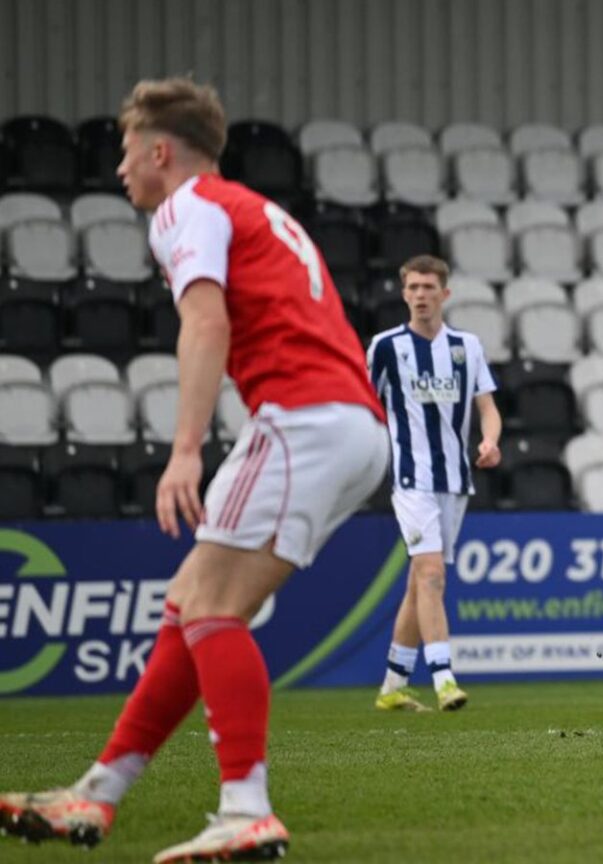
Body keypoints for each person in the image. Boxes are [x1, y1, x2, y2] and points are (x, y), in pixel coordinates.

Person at [0, 77, 389, 861]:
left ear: (160, 152)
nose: (119, 169)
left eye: (125, 151)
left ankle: (246, 808)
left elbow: (205, 322)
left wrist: (185, 450)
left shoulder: (187, 207)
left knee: (212, 608)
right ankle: (99, 792)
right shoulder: (255, 209)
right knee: (190, 603)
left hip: (302, 417)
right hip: (351, 426)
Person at [369, 255, 501, 712]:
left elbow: (487, 407)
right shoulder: (386, 347)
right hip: (411, 478)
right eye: (413, 287)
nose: (420, 295)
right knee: (431, 574)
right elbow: (365, 403)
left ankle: (392, 685)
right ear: (404, 293)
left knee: (419, 582)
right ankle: (444, 679)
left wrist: (490, 440)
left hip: (455, 480)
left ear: (444, 294)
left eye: (428, 287)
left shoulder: (467, 346)